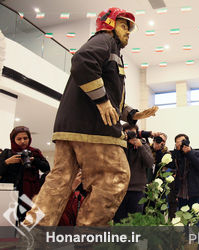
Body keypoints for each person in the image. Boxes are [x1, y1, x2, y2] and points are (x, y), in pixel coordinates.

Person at [23, 7, 157, 227]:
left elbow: (111, 99)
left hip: (70, 128)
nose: (128, 32)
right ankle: (87, 238)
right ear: (110, 25)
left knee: (58, 183)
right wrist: (102, 102)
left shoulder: (108, 48)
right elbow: (83, 62)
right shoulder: (105, 41)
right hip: (95, 129)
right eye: (124, 25)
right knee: (114, 178)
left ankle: (32, 234)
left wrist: (133, 114)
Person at [0, 126, 50, 223]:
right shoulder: (7, 153)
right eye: (19, 139)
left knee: (28, 221)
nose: (23, 141)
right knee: (8, 222)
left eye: (25, 138)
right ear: (13, 140)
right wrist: (7, 162)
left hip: (30, 194)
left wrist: (34, 160)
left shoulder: (35, 153)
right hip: (10, 194)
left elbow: (47, 168)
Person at [113, 124, 154, 223]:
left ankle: (134, 238)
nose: (131, 136)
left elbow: (149, 163)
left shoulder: (143, 145)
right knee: (119, 221)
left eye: (133, 133)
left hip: (137, 190)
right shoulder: (118, 146)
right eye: (129, 133)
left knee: (135, 222)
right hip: (120, 189)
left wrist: (140, 147)